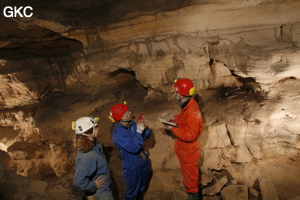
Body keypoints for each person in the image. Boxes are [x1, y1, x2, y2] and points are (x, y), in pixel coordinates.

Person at [163, 78, 204, 200]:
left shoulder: (193, 112)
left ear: (181, 93)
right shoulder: (189, 104)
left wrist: (172, 128)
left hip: (189, 150)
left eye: (176, 92)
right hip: (184, 148)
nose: (175, 94)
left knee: (190, 178)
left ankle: (193, 196)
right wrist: (174, 119)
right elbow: (183, 118)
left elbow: (190, 135)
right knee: (187, 174)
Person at [109, 102, 151, 200]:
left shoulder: (132, 124)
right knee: (132, 192)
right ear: (123, 117)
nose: (130, 112)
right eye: (127, 112)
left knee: (141, 187)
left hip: (142, 160)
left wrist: (145, 128)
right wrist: (139, 132)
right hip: (132, 165)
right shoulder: (118, 135)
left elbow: (145, 136)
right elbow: (134, 148)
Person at [72, 116, 114, 200]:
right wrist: (93, 185)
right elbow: (78, 182)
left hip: (103, 190)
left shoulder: (92, 146)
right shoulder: (88, 156)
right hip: (100, 193)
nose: (98, 129)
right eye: (95, 127)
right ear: (89, 132)